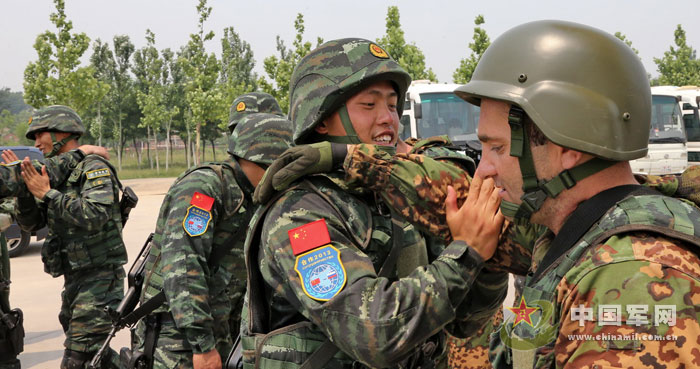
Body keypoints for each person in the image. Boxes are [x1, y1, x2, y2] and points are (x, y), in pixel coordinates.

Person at [240, 38, 509, 369]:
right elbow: (375, 334)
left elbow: (463, 322)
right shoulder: (300, 212)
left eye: (393, 106)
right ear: (321, 119)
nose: (388, 119)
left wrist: (488, 261)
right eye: (369, 106)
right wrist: (466, 253)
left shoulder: (390, 194)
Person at [133, 112, 293, 369]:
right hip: (180, 337)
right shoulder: (204, 187)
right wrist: (202, 346)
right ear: (267, 161)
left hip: (224, 329)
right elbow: (184, 269)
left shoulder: (255, 194)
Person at [7, 105, 126, 369]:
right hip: (75, 279)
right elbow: (31, 223)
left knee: (79, 359)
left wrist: (48, 194)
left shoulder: (93, 167)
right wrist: (27, 192)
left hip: (100, 279)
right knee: (98, 356)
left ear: (63, 132)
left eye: (40, 135)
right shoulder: (57, 173)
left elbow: (96, 214)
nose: (36, 143)